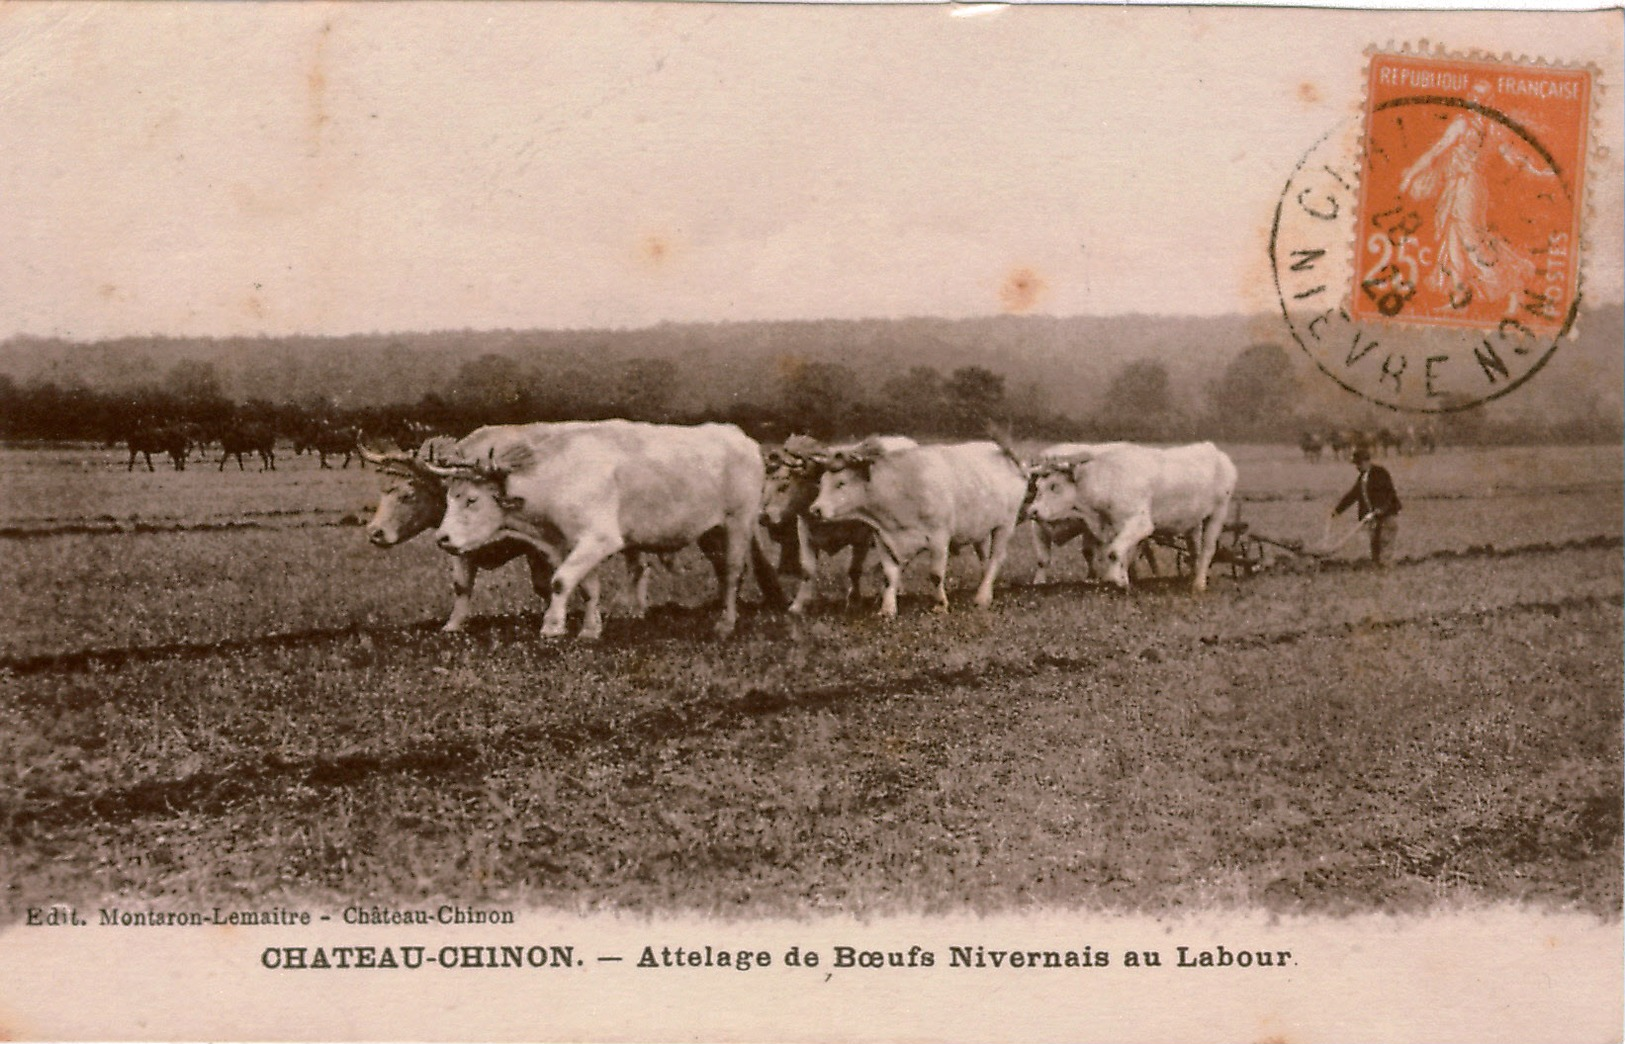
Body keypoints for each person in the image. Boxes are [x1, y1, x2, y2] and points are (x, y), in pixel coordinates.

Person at [1333, 447, 1402, 566]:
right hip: (1373, 517)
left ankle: (1385, 567)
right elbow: (1352, 495)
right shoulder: (1362, 477)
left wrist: (1381, 508)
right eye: (1356, 464)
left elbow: (1388, 493)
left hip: (1387, 515)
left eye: (1359, 464)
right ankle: (1377, 565)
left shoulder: (1380, 473)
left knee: (1385, 541)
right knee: (1374, 543)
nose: (1357, 467)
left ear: (1367, 461)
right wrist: (1337, 511)